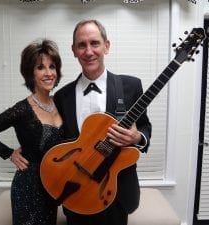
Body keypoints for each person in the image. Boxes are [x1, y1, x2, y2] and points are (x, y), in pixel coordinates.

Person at [53, 19, 152, 225]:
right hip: (76, 188)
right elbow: (58, 141)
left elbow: (144, 126)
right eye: (82, 45)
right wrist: (21, 151)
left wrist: (137, 137)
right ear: (74, 50)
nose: (89, 51)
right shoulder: (62, 96)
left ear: (106, 46)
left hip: (115, 188)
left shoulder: (131, 86)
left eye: (95, 43)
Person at [0, 39, 63, 225]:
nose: (48, 73)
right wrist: (9, 154)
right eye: (40, 67)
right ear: (30, 73)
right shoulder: (21, 110)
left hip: (52, 184)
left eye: (52, 66)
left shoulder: (61, 103)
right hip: (29, 187)